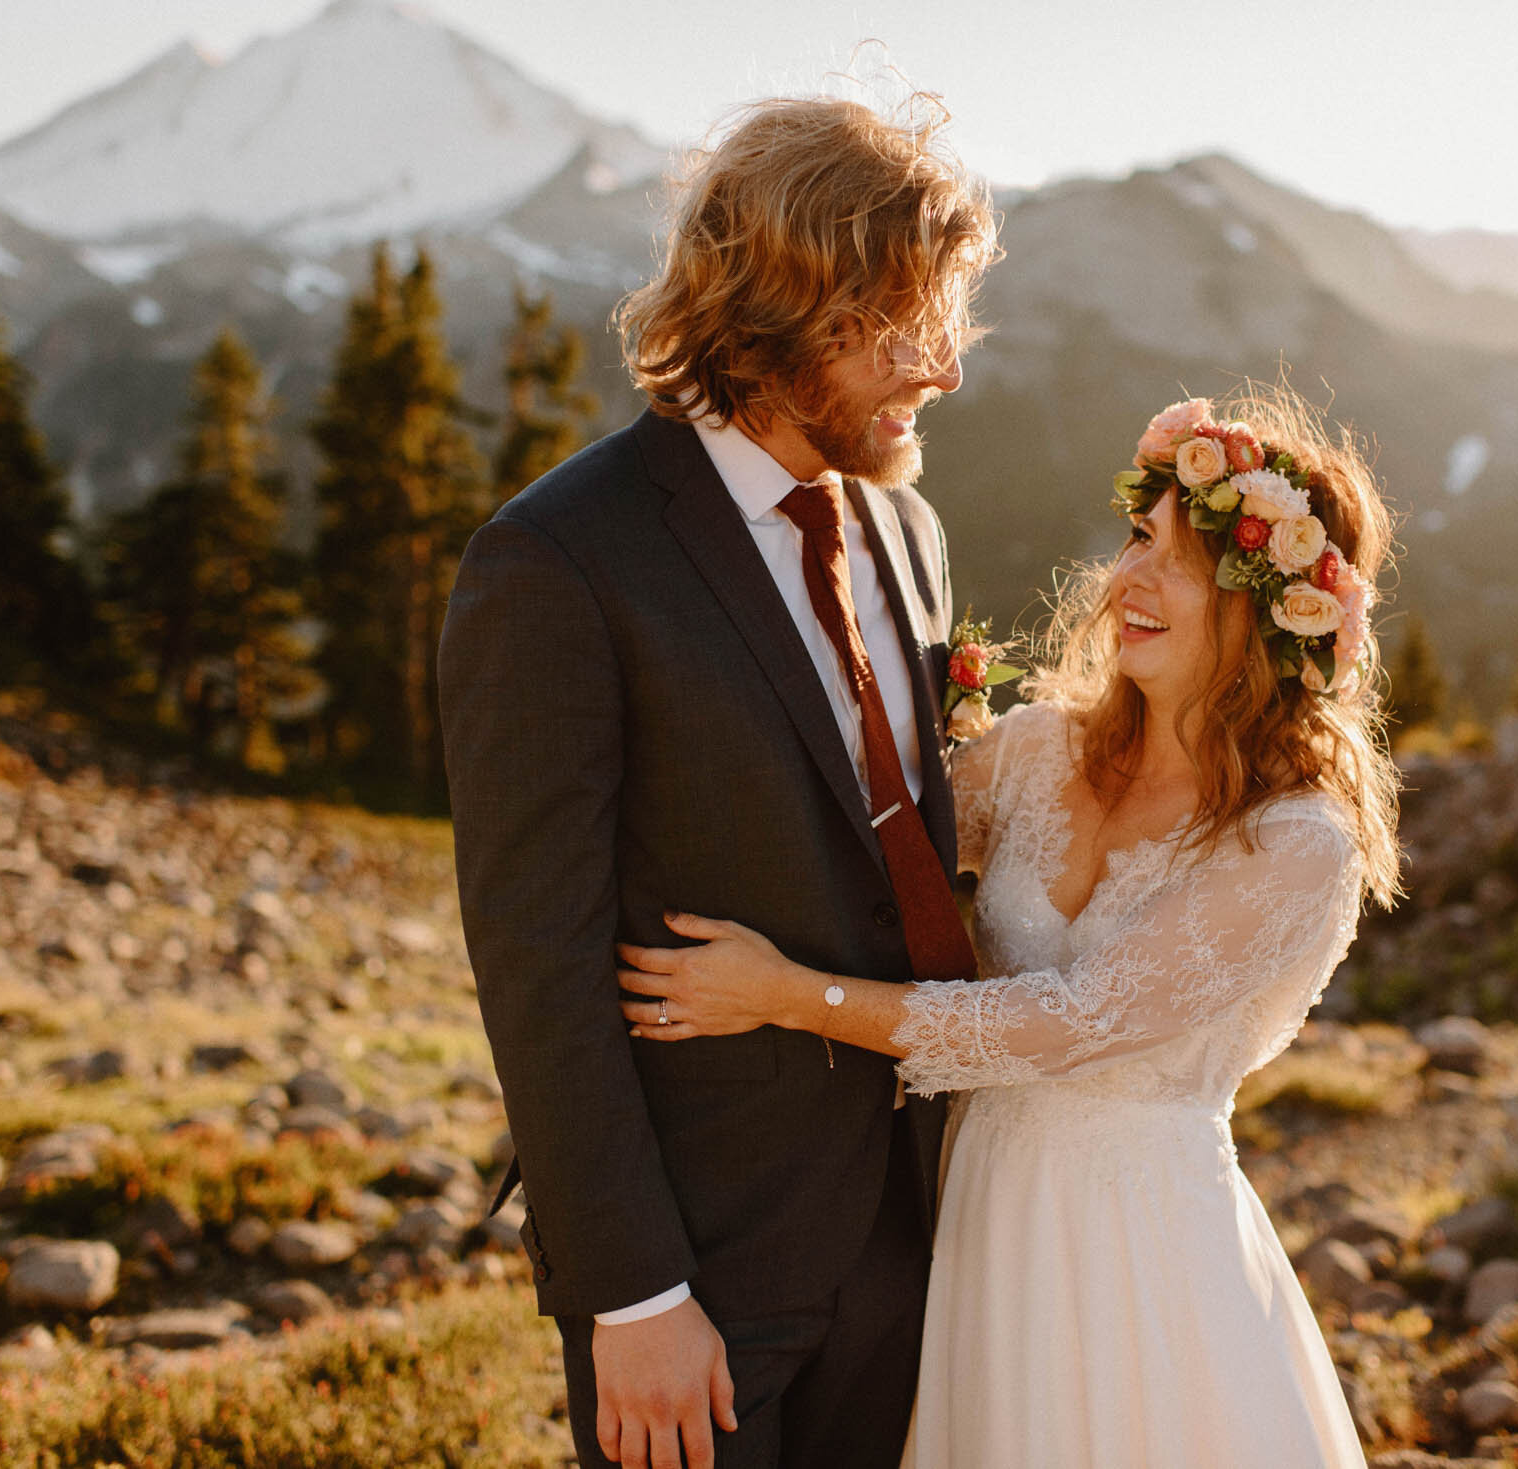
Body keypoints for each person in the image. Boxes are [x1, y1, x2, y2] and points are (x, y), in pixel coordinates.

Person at [618, 390, 1402, 1467]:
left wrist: (780, 991)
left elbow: (1066, 1019)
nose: (1129, 577)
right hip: (974, 1217)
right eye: (1138, 536)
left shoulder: (1297, 846)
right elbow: (864, 846)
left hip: (1139, 1257)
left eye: (1185, 560)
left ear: (1273, 611)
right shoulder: (1039, 750)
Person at [438, 92, 997, 1469]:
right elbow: (538, 957)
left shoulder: (911, 532)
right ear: (785, 312)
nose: (944, 371)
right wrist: (631, 1291)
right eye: (904, 324)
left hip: (921, 1231)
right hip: (703, 1268)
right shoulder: (560, 562)